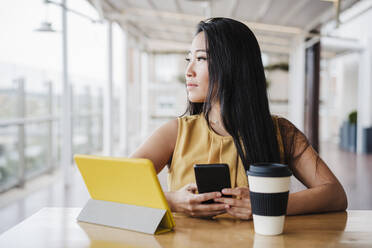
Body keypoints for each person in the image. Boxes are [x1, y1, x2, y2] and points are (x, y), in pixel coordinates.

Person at [131, 17, 347, 220]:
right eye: (190, 59)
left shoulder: (281, 131)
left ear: (233, 65)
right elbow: (119, 184)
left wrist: (264, 204)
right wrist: (172, 201)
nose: (188, 71)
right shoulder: (176, 132)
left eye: (201, 58)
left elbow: (335, 194)